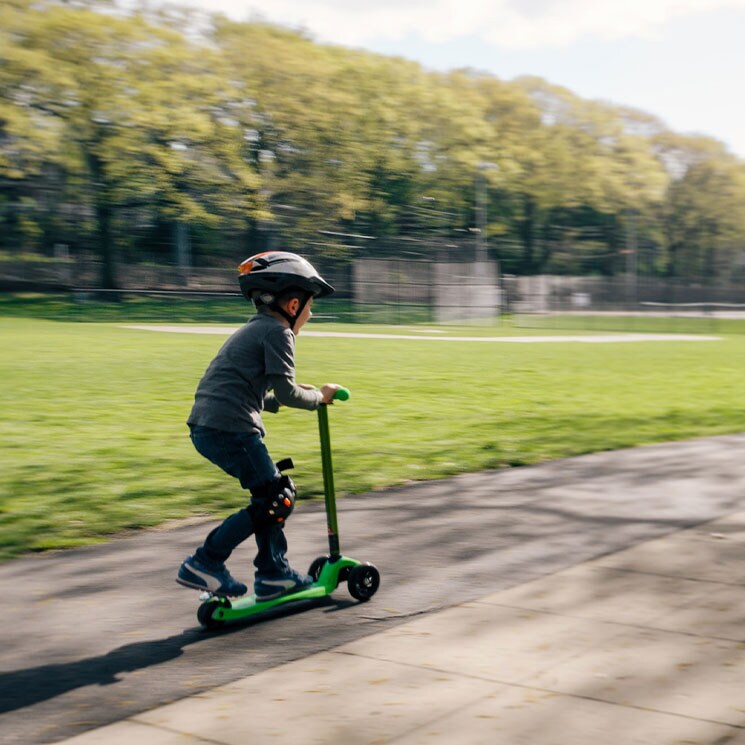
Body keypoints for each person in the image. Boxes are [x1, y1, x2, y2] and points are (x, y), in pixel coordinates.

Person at [176, 251, 342, 599]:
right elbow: (286, 392)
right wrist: (319, 397)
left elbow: (251, 392)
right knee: (276, 498)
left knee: (270, 496)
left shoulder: (254, 329)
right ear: (293, 305)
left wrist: (285, 396)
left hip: (209, 424)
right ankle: (207, 562)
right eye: (310, 308)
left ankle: (272, 573)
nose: (309, 316)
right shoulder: (279, 333)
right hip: (231, 428)